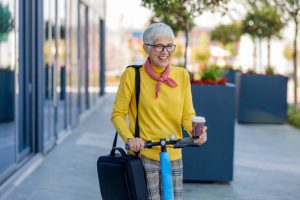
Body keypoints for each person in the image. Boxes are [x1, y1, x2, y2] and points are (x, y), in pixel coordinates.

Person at [111, 22, 207, 200]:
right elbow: (117, 114)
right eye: (158, 46)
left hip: (173, 157)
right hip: (144, 155)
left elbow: (187, 115)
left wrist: (196, 133)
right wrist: (130, 138)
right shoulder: (133, 75)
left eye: (169, 45)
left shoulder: (182, 75)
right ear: (146, 48)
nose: (165, 51)